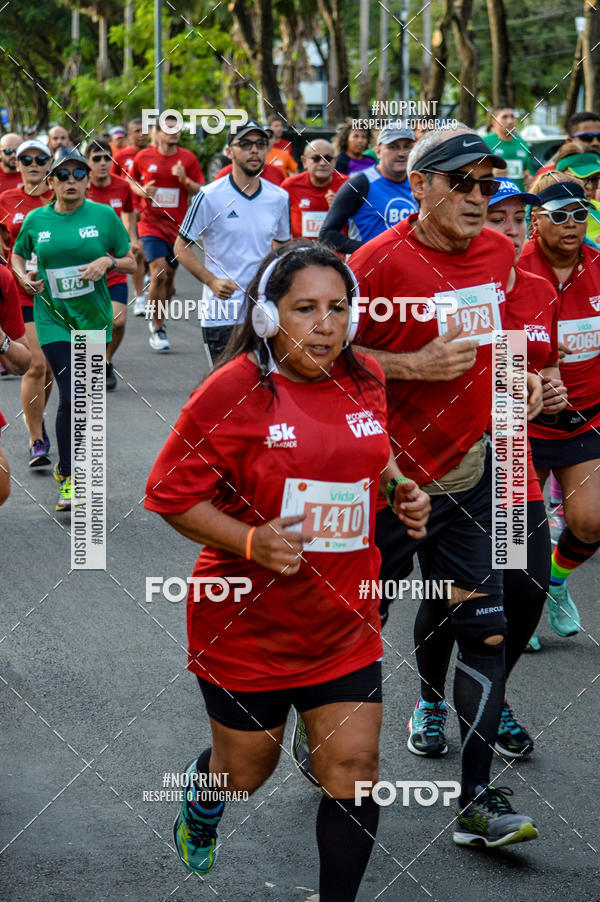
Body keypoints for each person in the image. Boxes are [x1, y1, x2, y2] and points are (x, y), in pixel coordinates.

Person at [144, 241, 430, 897]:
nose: (325, 324)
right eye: (305, 309)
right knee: (246, 772)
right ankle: (204, 795)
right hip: (247, 626)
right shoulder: (233, 390)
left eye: (338, 308)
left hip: (342, 621)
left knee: (354, 770)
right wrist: (251, 542)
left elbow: (369, 453)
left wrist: (398, 490)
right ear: (270, 316)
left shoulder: (366, 378)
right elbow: (168, 493)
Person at [348, 126, 541, 848]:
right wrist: (412, 368)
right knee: (359, 628)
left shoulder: (497, 251)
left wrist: (511, 378)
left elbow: (489, 342)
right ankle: (324, 740)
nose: (477, 198)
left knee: (486, 627)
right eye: (461, 182)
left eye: (487, 186)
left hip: (466, 470)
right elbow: (314, 351)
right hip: (381, 486)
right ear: (420, 185)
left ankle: (476, 800)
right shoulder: (374, 263)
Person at [11, 147, 135, 511]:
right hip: (52, 317)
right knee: (74, 390)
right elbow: (18, 254)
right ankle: (70, 476)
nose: (71, 181)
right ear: (50, 182)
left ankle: (71, 469)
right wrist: (23, 275)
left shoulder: (104, 216)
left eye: (78, 174)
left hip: (93, 317)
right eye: (63, 175)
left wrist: (107, 261)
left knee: (85, 400)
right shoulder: (36, 221)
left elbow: (129, 261)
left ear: (86, 182)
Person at [519, 177, 600, 639]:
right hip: (522, 424)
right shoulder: (513, 268)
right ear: (537, 221)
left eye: (580, 214)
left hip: (586, 419)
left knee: (590, 523)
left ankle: (553, 583)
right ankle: (521, 604)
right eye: (561, 215)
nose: (573, 225)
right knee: (516, 541)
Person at [174, 121, 290, 364]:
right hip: (221, 313)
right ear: (230, 152)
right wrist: (212, 281)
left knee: (264, 389)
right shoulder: (209, 196)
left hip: (263, 312)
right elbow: (181, 247)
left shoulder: (279, 197)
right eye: (245, 144)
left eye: (260, 144)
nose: (254, 150)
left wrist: (276, 287)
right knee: (225, 391)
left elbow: (281, 247)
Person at [0, 138, 54, 466]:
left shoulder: (62, 197)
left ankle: (38, 418)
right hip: (22, 294)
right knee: (36, 365)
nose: (33, 164)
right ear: (16, 165)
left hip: (61, 298)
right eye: (26, 159)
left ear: (49, 165)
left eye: (40, 158)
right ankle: (37, 440)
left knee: (49, 373)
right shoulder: (5, 199)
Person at [130, 114, 205, 351]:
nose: (173, 132)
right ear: (157, 133)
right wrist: (142, 191)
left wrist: (185, 180)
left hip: (178, 227)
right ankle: (157, 325)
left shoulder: (188, 158)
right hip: (151, 224)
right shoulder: (144, 157)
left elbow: (201, 189)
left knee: (169, 279)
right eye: (168, 128)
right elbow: (130, 182)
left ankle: (159, 315)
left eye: (176, 128)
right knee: (158, 272)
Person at [85, 139, 141, 390]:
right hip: (84, 269)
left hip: (115, 265)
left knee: (117, 321)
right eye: (96, 158)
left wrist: (133, 238)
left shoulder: (122, 186)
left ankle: (106, 360)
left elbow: (129, 211)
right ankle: (92, 362)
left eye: (107, 158)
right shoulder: (80, 188)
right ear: (88, 162)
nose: (102, 163)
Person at [319, 123, 417, 255]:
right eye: (392, 147)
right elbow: (327, 235)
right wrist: (374, 250)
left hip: (406, 269)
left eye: (407, 147)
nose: (401, 153)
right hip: (367, 271)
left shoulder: (419, 183)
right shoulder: (360, 184)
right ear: (377, 151)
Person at [110, 118, 150, 317]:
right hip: (128, 212)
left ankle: (144, 286)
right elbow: (114, 181)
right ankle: (140, 296)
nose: (142, 134)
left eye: (145, 130)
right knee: (137, 252)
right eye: (137, 130)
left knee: (143, 254)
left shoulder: (153, 154)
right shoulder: (122, 156)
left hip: (148, 213)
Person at [0, 265, 32, 504]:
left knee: (2, 489)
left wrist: (1, 339)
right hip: (34, 299)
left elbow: (21, 364)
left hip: (87, 314)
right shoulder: (34, 224)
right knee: (41, 368)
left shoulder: (2, 277)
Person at [281, 139, 346, 240]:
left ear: (335, 161)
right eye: (316, 158)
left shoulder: (347, 185)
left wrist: (340, 208)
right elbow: (278, 222)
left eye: (328, 158)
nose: (323, 163)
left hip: (336, 251)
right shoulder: (290, 185)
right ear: (304, 161)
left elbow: (360, 223)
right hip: (301, 251)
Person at [483, 106, 536, 190]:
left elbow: (529, 174)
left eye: (512, 117)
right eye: (504, 117)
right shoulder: (484, 142)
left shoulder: (523, 143)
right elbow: (475, 174)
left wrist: (529, 179)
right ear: (494, 122)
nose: (510, 121)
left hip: (518, 198)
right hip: (494, 198)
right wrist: (492, 175)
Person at [555, 153, 600, 247]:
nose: (590, 186)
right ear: (560, 177)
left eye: (595, 180)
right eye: (581, 179)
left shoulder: (598, 208)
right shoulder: (542, 214)